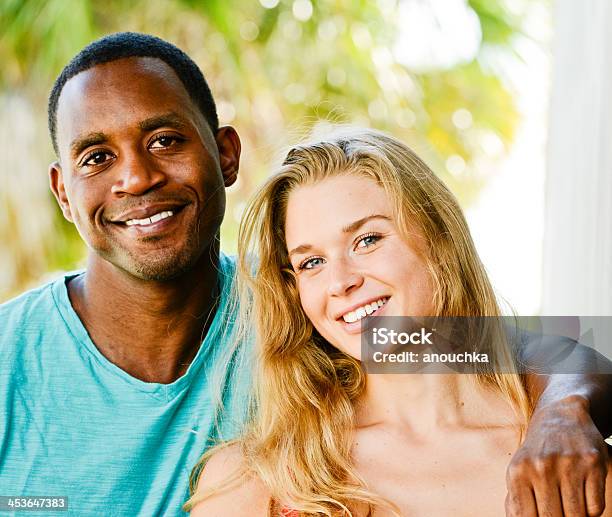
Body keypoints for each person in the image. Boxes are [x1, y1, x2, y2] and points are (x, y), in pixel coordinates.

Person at [0, 32, 608, 516]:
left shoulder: (304, 314)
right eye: (97, 156)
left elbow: (560, 347)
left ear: (226, 153)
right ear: (62, 189)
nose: (135, 177)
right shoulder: (11, 355)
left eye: (164, 140)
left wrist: (563, 411)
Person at [189, 128, 612, 517]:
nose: (340, 282)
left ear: (439, 239)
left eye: (367, 240)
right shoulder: (254, 481)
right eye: (312, 262)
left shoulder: (559, 461)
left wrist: (564, 409)